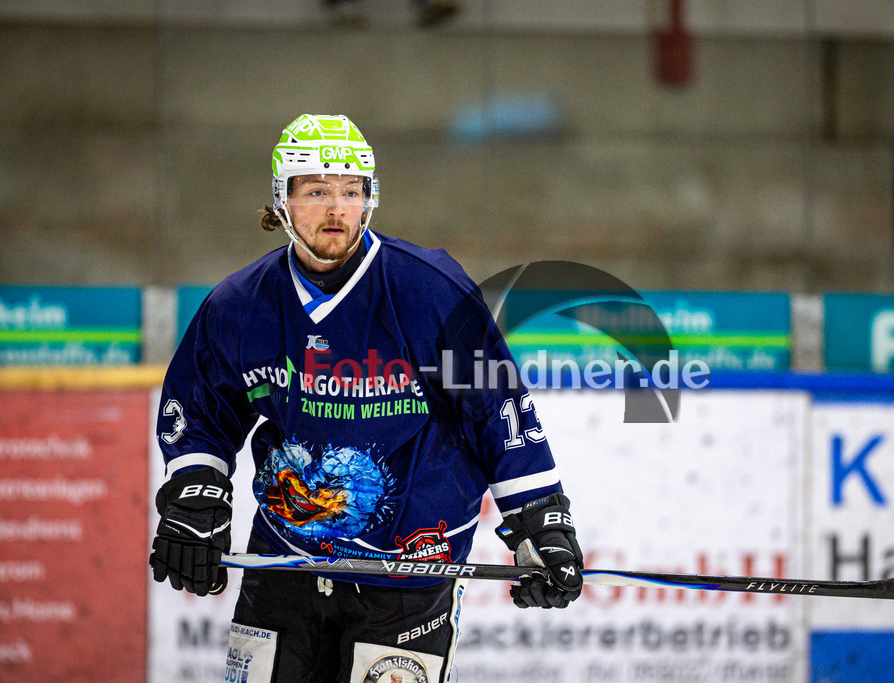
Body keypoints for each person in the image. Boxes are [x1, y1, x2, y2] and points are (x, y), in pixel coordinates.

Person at [150, 114, 583, 683]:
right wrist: (195, 496)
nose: (337, 208)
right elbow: (202, 408)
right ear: (282, 199)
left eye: (351, 191)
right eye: (317, 191)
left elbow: (496, 410)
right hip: (286, 561)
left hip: (411, 566)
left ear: (369, 199)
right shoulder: (241, 304)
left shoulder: (429, 288)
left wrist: (540, 521)